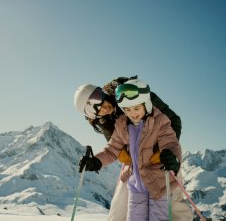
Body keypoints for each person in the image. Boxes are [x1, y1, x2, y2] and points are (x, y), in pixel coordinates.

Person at [74, 76, 192, 221]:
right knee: (121, 211)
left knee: (172, 209)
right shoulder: (110, 122)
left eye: (100, 100)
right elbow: (113, 148)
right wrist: (97, 161)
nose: (104, 109)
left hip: (162, 164)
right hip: (135, 169)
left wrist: (167, 153)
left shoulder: (132, 92)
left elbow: (172, 123)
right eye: (95, 111)